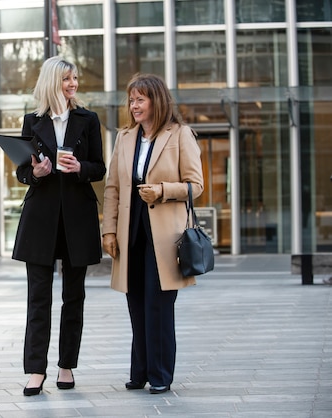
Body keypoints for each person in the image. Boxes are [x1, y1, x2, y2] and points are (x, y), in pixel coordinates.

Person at [101, 73, 203, 394]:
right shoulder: (125, 138)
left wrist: (161, 191)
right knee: (136, 305)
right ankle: (140, 371)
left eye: (139, 100)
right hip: (130, 234)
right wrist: (108, 231)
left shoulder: (180, 135)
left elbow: (195, 186)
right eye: (131, 100)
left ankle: (160, 375)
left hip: (165, 238)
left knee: (158, 307)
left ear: (155, 101)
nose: (133, 106)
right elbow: (113, 188)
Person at [12, 56, 106, 396]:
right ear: (53, 81)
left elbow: (99, 168)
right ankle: (35, 370)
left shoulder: (88, 120)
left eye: (76, 78)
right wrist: (33, 174)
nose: (73, 84)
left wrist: (80, 167)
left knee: (74, 296)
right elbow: (22, 170)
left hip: (77, 219)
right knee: (38, 298)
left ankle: (66, 366)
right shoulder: (31, 121)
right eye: (67, 78)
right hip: (40, 221)